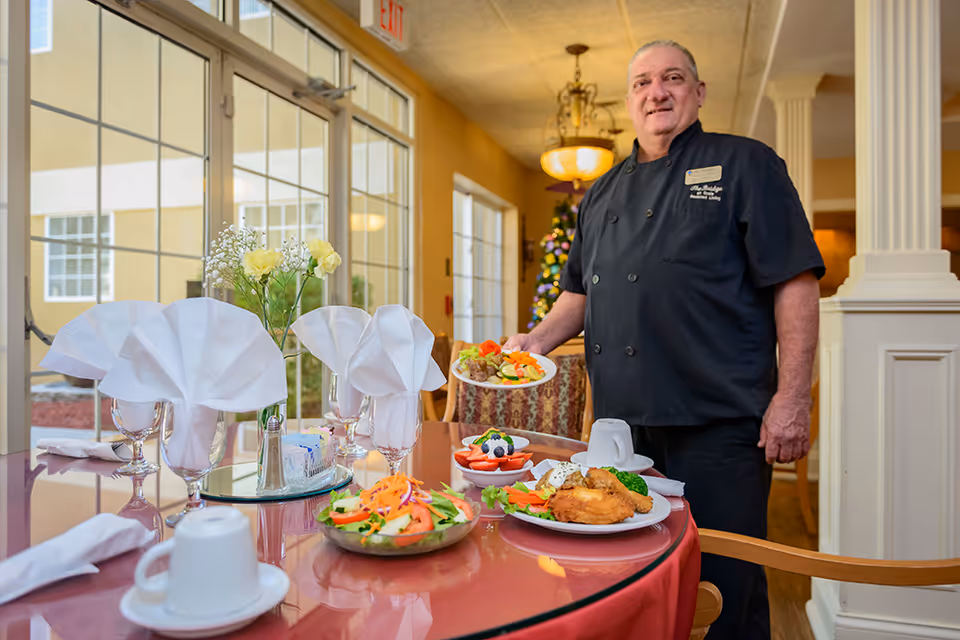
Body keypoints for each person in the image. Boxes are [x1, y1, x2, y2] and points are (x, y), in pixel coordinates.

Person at [504, 40, 824, 640]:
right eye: (644, 82)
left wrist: (793, 396)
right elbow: (578, 294)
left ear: (698, 93)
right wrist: (534, 342)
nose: (658, 92)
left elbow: (795, 281)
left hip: (720, 422)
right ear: (629, 100)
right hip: (623, 432)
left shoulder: (745, 164)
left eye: (673, 78)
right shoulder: (598, 195)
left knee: (728, 589)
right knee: (634, 577)